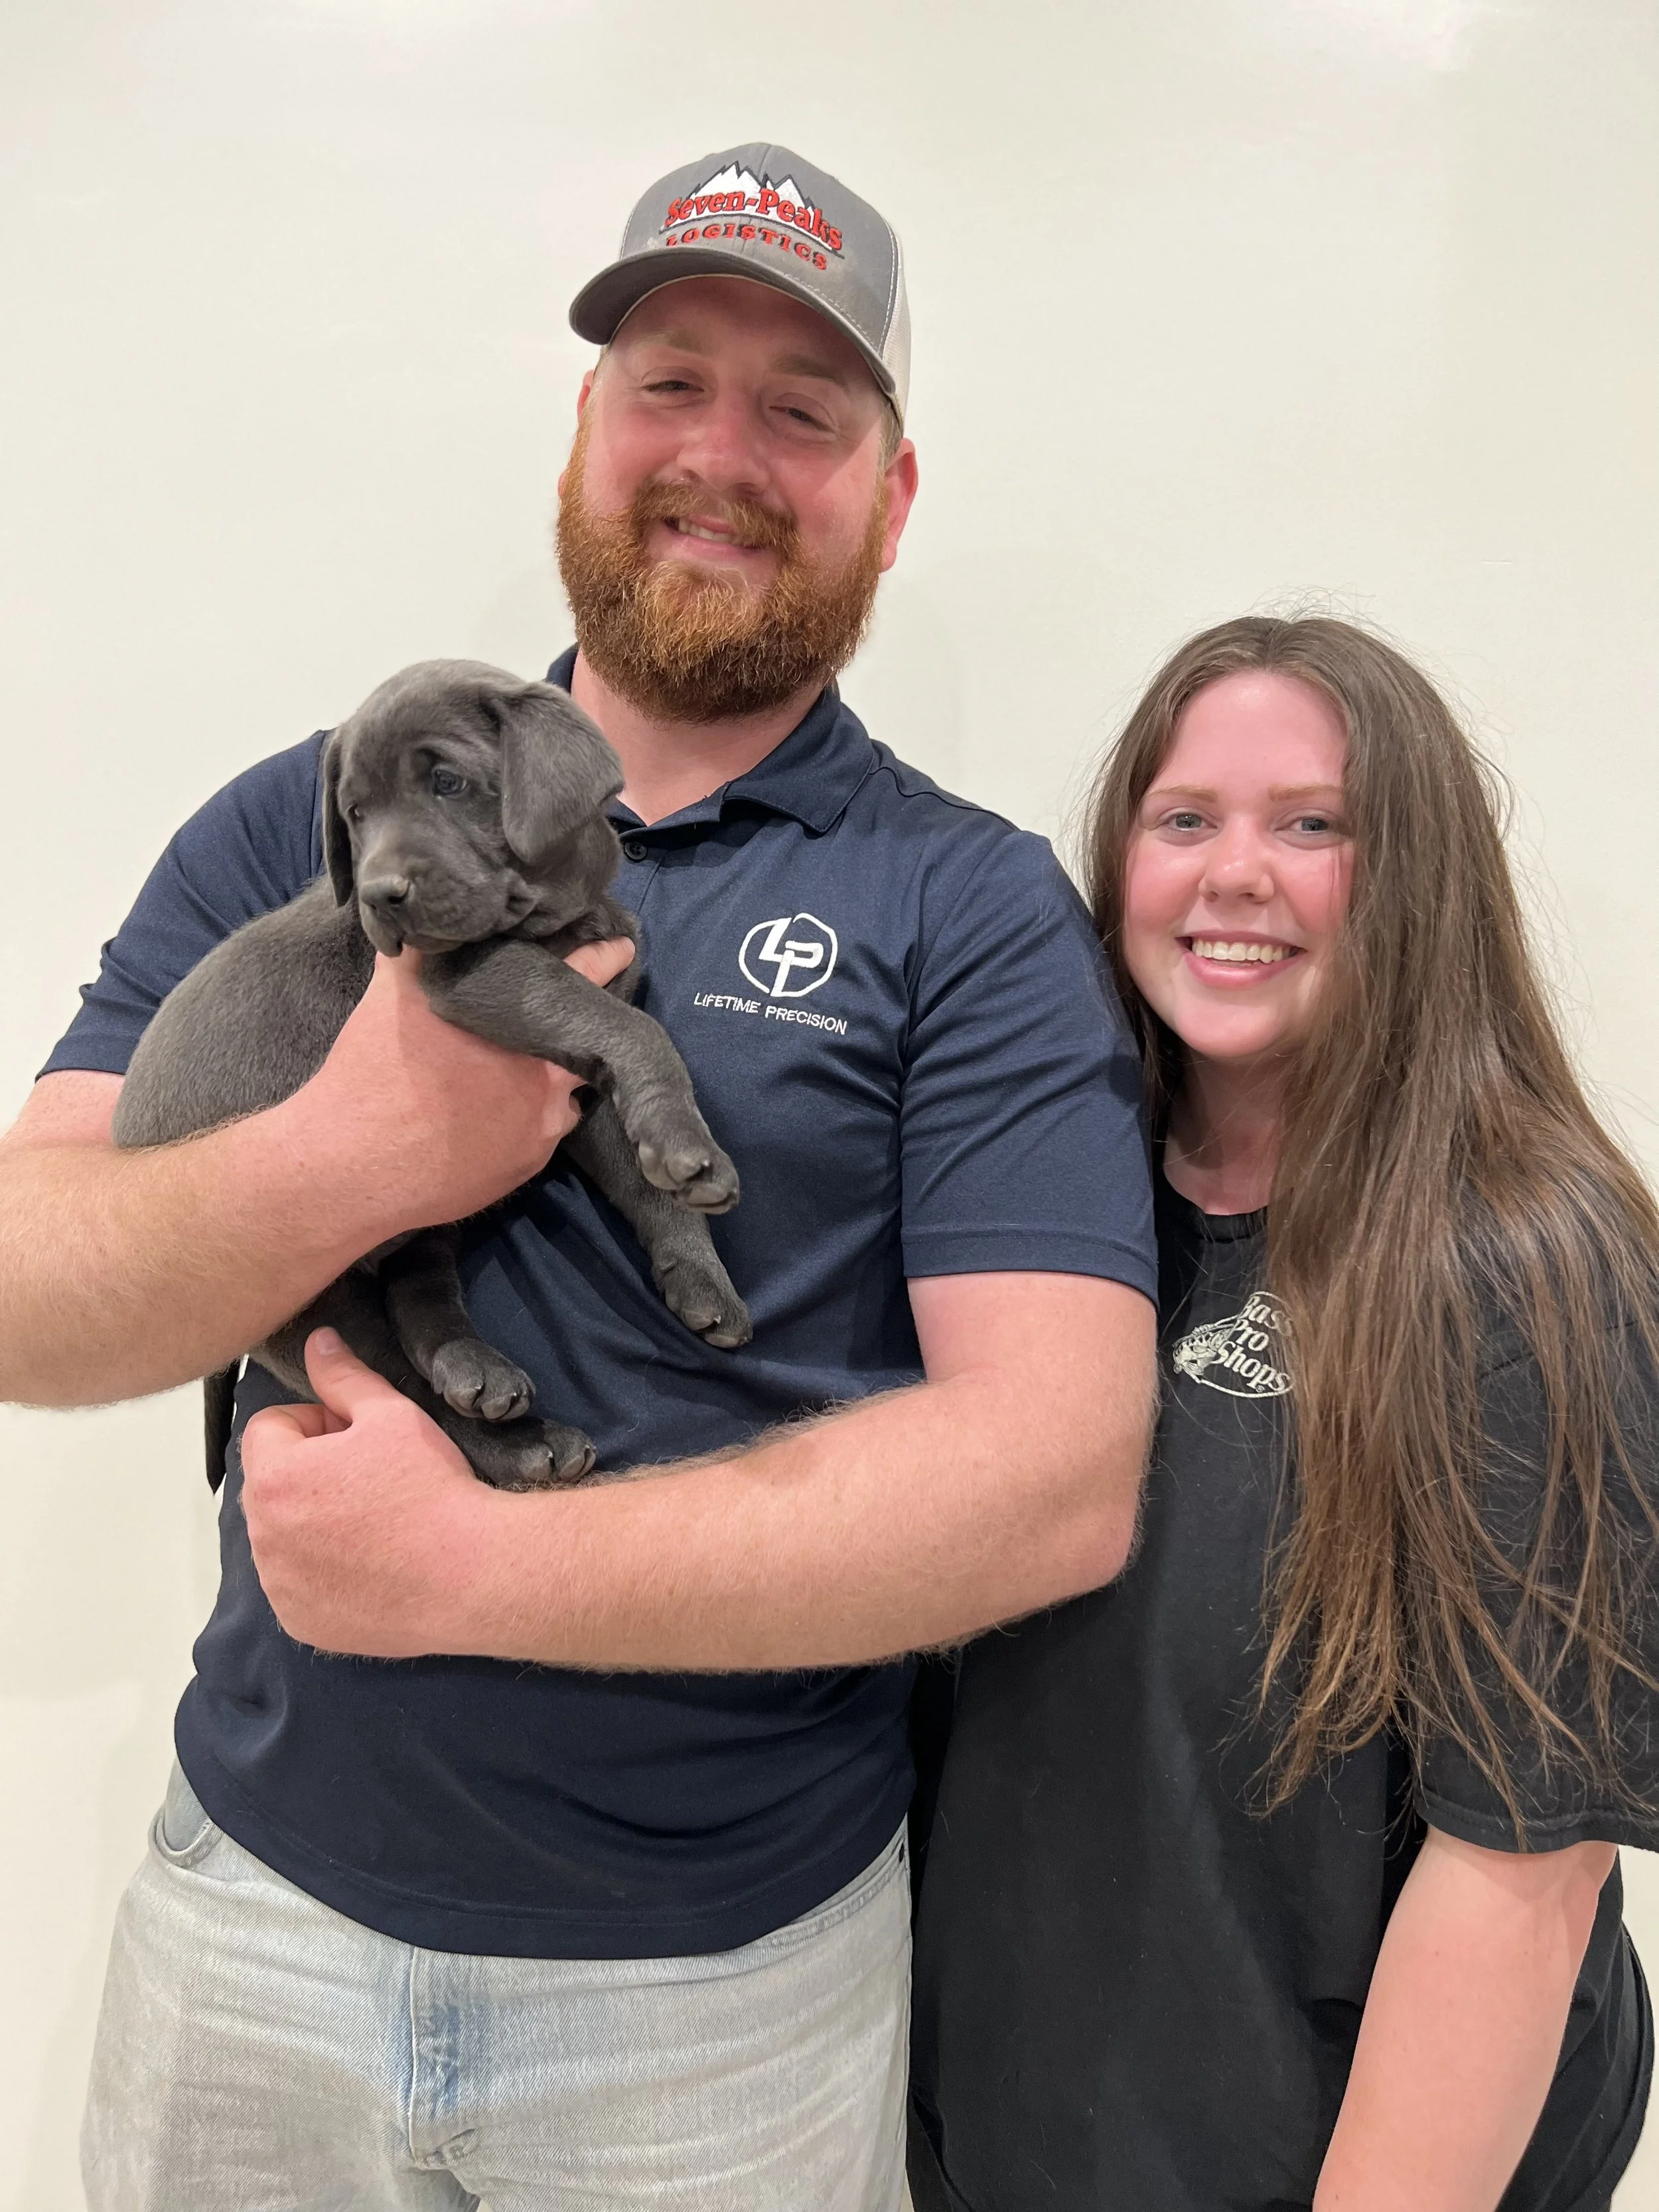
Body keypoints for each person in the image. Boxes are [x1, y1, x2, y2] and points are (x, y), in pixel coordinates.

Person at [0, 145, 1159, 2210]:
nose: (722, 452)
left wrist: (467, 1572)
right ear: (583, 433)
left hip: (713, 2001)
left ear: (890, 498)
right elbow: (25, 1279)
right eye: (669, 381)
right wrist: (345, 1151)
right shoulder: (312, 811)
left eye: (804, 409)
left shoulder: (964, 904)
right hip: (248, 1918)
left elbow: (1059, 1471)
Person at [908, 616, 1659, 2212]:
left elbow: (1521, 1872)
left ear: (1414, 880)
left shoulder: (1522, 1257)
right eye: (1183, 820)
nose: (1232, 873)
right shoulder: (1032, 1223)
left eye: (1311, 825)